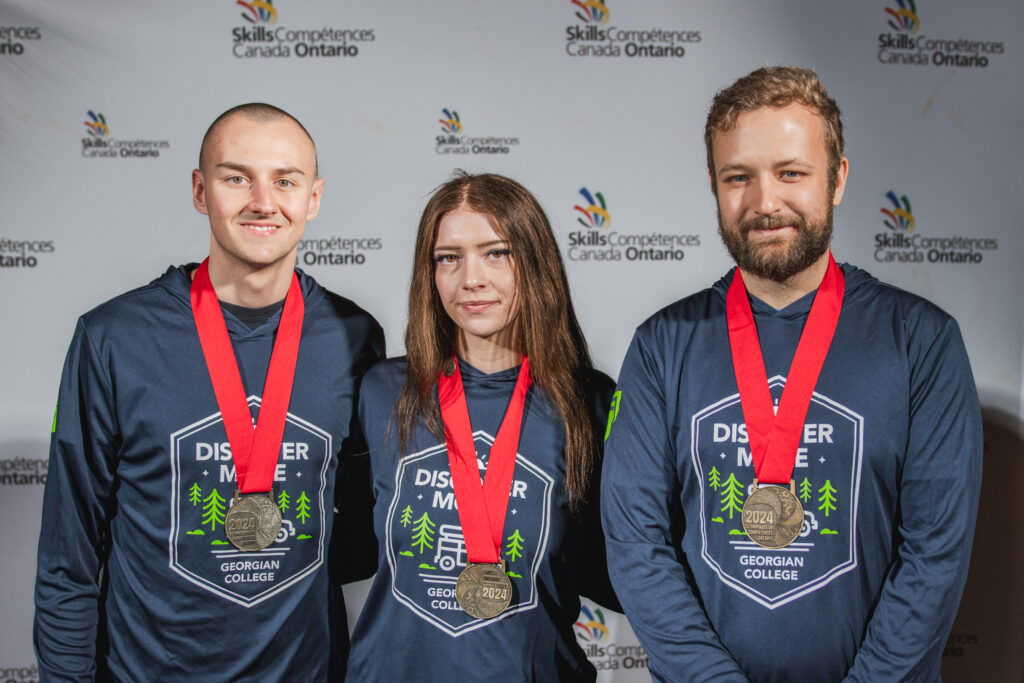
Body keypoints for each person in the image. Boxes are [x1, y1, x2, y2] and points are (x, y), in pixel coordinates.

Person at [602, 66, 982, 682]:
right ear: (714, 186)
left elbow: (934, 555)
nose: (764, 202)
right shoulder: (661, 347)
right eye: (738, 178)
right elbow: (636, 547)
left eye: (791, 173)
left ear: (837, 179)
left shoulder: (921, 340)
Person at [34, 103, 383, 681]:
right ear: (201, 190)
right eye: (236, 177)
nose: (262, 201)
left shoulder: (353, 337)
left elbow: (357, 538)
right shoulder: (114, 338)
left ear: (313, 198)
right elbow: (67, 562)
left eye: (285, 181)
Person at [345, 172, 618, 681]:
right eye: (448, 257)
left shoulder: (589, 401)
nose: (471, 277)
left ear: (535, 263)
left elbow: (617, 570)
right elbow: (349, 548)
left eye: (497, 253)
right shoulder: (384, 391)